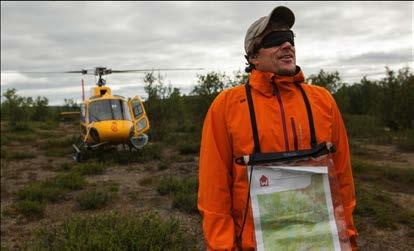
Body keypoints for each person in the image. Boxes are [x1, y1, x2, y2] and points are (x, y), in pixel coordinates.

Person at [198, 6, 358, 250]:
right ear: (253, 57)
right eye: (275, 40)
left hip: (320, 243)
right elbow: (214, 190)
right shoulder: (226, 106)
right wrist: (222, 247)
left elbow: (343, 177)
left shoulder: (323, 101)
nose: (287, 45)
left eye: (290, 39)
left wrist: (347, 236)